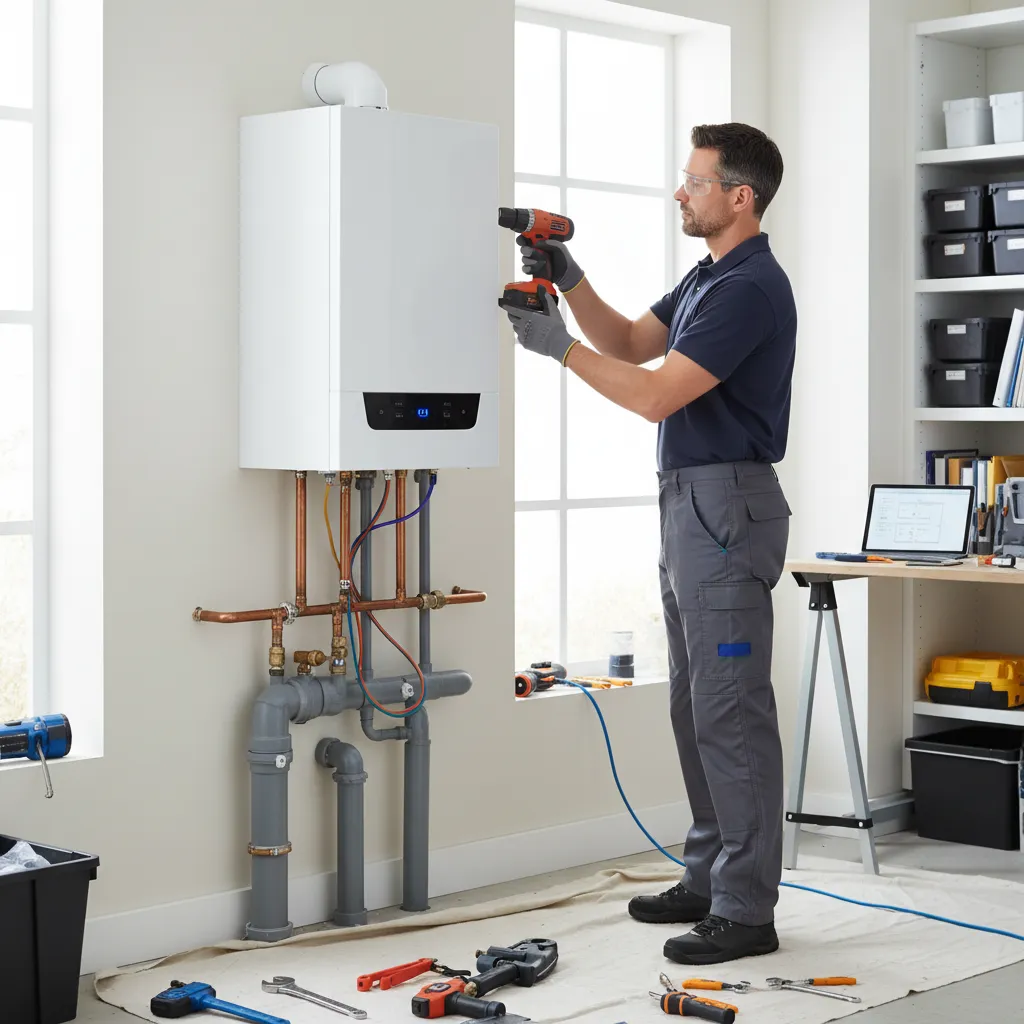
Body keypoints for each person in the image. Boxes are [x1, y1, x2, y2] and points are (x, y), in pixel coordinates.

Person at [503, 123, 796, 965]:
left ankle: (747, 909)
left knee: (731, 709)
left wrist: (557, 347)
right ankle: (709, 878)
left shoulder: (751, 288)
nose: (681, 192)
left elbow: (655, 395)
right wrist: (573, 280)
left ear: (739, 197)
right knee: (694, 703)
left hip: (725, 505)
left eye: (695, 182)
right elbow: (634, 341)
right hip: (687, 505)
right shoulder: (711, 275)